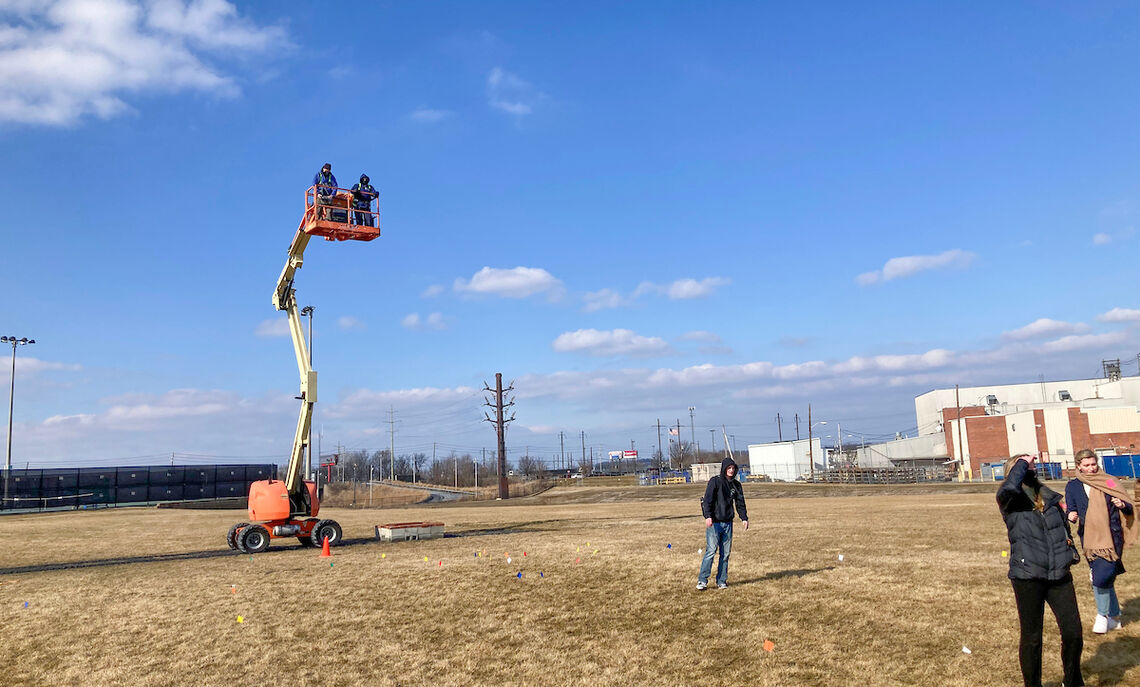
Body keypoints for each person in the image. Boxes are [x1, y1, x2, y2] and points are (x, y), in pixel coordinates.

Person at [998, 453, 1084, 687]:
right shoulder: (1010, 500)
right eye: (1027, 466)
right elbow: (1009, 487)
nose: (1032, 468)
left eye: (1033, 465)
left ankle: (1073, 680)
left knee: (1073, 633)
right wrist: (1022, 462)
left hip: (1058, 573)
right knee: (1032, 637)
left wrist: (1070, 552)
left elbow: (1062, 528)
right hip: (1027, 575)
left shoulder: (1048, 496)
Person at [1065, 449, 1137, 634]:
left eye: (1093, 464)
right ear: (1079, 466)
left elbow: (1127, 504)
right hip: (1089, 538)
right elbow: (1071, 509)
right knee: (1104, 576)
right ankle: (1114, 617)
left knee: (1101, 576)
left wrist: (1123, 505)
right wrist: (1070, 515)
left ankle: (1102, 616)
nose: (1091, 468)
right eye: (1087, 465)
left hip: (1112, 538)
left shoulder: (1109, 480)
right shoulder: (1073, 486)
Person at [696, 457, 748, 591]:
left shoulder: (736, 485)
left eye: (733, 468)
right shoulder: (715, 482)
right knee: (711, 551)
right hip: (714, 523)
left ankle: (721, 580)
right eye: (729, 468)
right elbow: (707, 500)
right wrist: (708, 516)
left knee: (725, 554)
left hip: (728, 523)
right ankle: (702, 580)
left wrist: (744, 518)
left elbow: (740, 503)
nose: (731, 471)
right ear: (724, 469)